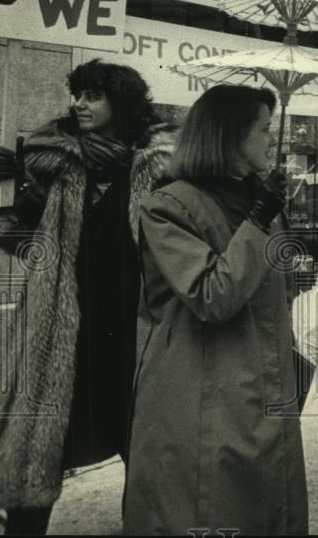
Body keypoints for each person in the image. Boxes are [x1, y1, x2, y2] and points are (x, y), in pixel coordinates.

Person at [0, 60, 176, 535]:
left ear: (119, 101)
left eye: (92, 96)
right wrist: (11, 191)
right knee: (39, 442)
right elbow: (14, 236)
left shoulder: (159, 164)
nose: (79, 105)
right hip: (64, 322)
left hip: (136, 323)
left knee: (141, 442)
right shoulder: (54, 161)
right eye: (77, 95)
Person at [123, 84, 307, 535]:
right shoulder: (167, 206)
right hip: (203, 394)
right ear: (229, 135)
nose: (271, 138)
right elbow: (213, 296)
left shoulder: (258, 198)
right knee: (210, 508)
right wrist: (260, 221)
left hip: (264, 389)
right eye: (263, 129)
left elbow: (274, 292)